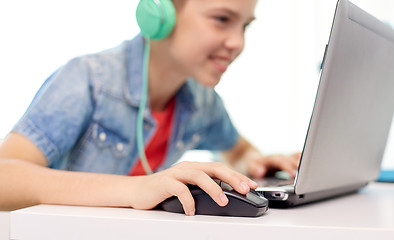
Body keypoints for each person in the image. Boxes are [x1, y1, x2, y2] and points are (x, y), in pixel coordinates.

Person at [0, 0, 300, 216]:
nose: (237, 42)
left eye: (245, 26)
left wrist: (255, 162)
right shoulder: (89, 79)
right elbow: (4, 177)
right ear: (161, 12)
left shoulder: (200, 99)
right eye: (222, 19)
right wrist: (136, 189)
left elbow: (236, 150)